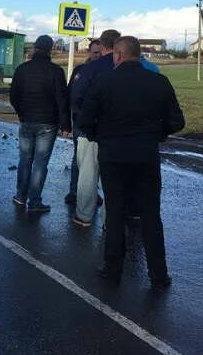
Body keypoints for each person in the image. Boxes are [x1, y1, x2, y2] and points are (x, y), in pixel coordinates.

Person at [77, 36, 185, 287]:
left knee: (115, 213)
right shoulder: (159, 82)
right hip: (146, 156)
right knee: (150, 215)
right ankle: (158, 274)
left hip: (112, 156)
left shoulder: (105, 82)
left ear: (118, 55)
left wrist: (100, 136)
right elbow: (177, 121)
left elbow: (84, 121)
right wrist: (157, 135)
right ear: (138, 54)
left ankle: (113, 270)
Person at [9, 35, 70, 213]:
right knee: (40, 163)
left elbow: (14, 96)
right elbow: (62, 99)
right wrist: (65, 124)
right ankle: (35, 201)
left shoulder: (22, 69)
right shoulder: (56, 71)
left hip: (26, 120)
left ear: (35, 48)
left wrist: (21, 112)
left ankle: (20, 196)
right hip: (48, 123)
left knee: (25, 159)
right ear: (50, 49)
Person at [69, 29, 121, 227]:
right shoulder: (127, 68)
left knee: (88, 175)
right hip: (117, 132)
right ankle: (110, 220)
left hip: (90, 131)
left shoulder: (90, 69)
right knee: (113, 179)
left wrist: (85, 118)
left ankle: (84, 216)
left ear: (104, 45)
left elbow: (76, 97)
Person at [65, 39, 102, 204]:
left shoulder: (107, 71)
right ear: (89, 52)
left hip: (100, 123)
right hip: (81, 121)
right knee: (78, 159)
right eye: (95, 53)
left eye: (100, 53)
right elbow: (70, 95)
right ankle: (74, 191)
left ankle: (92, 193)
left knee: (97, 161)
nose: (98, 56)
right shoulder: (81, 70)